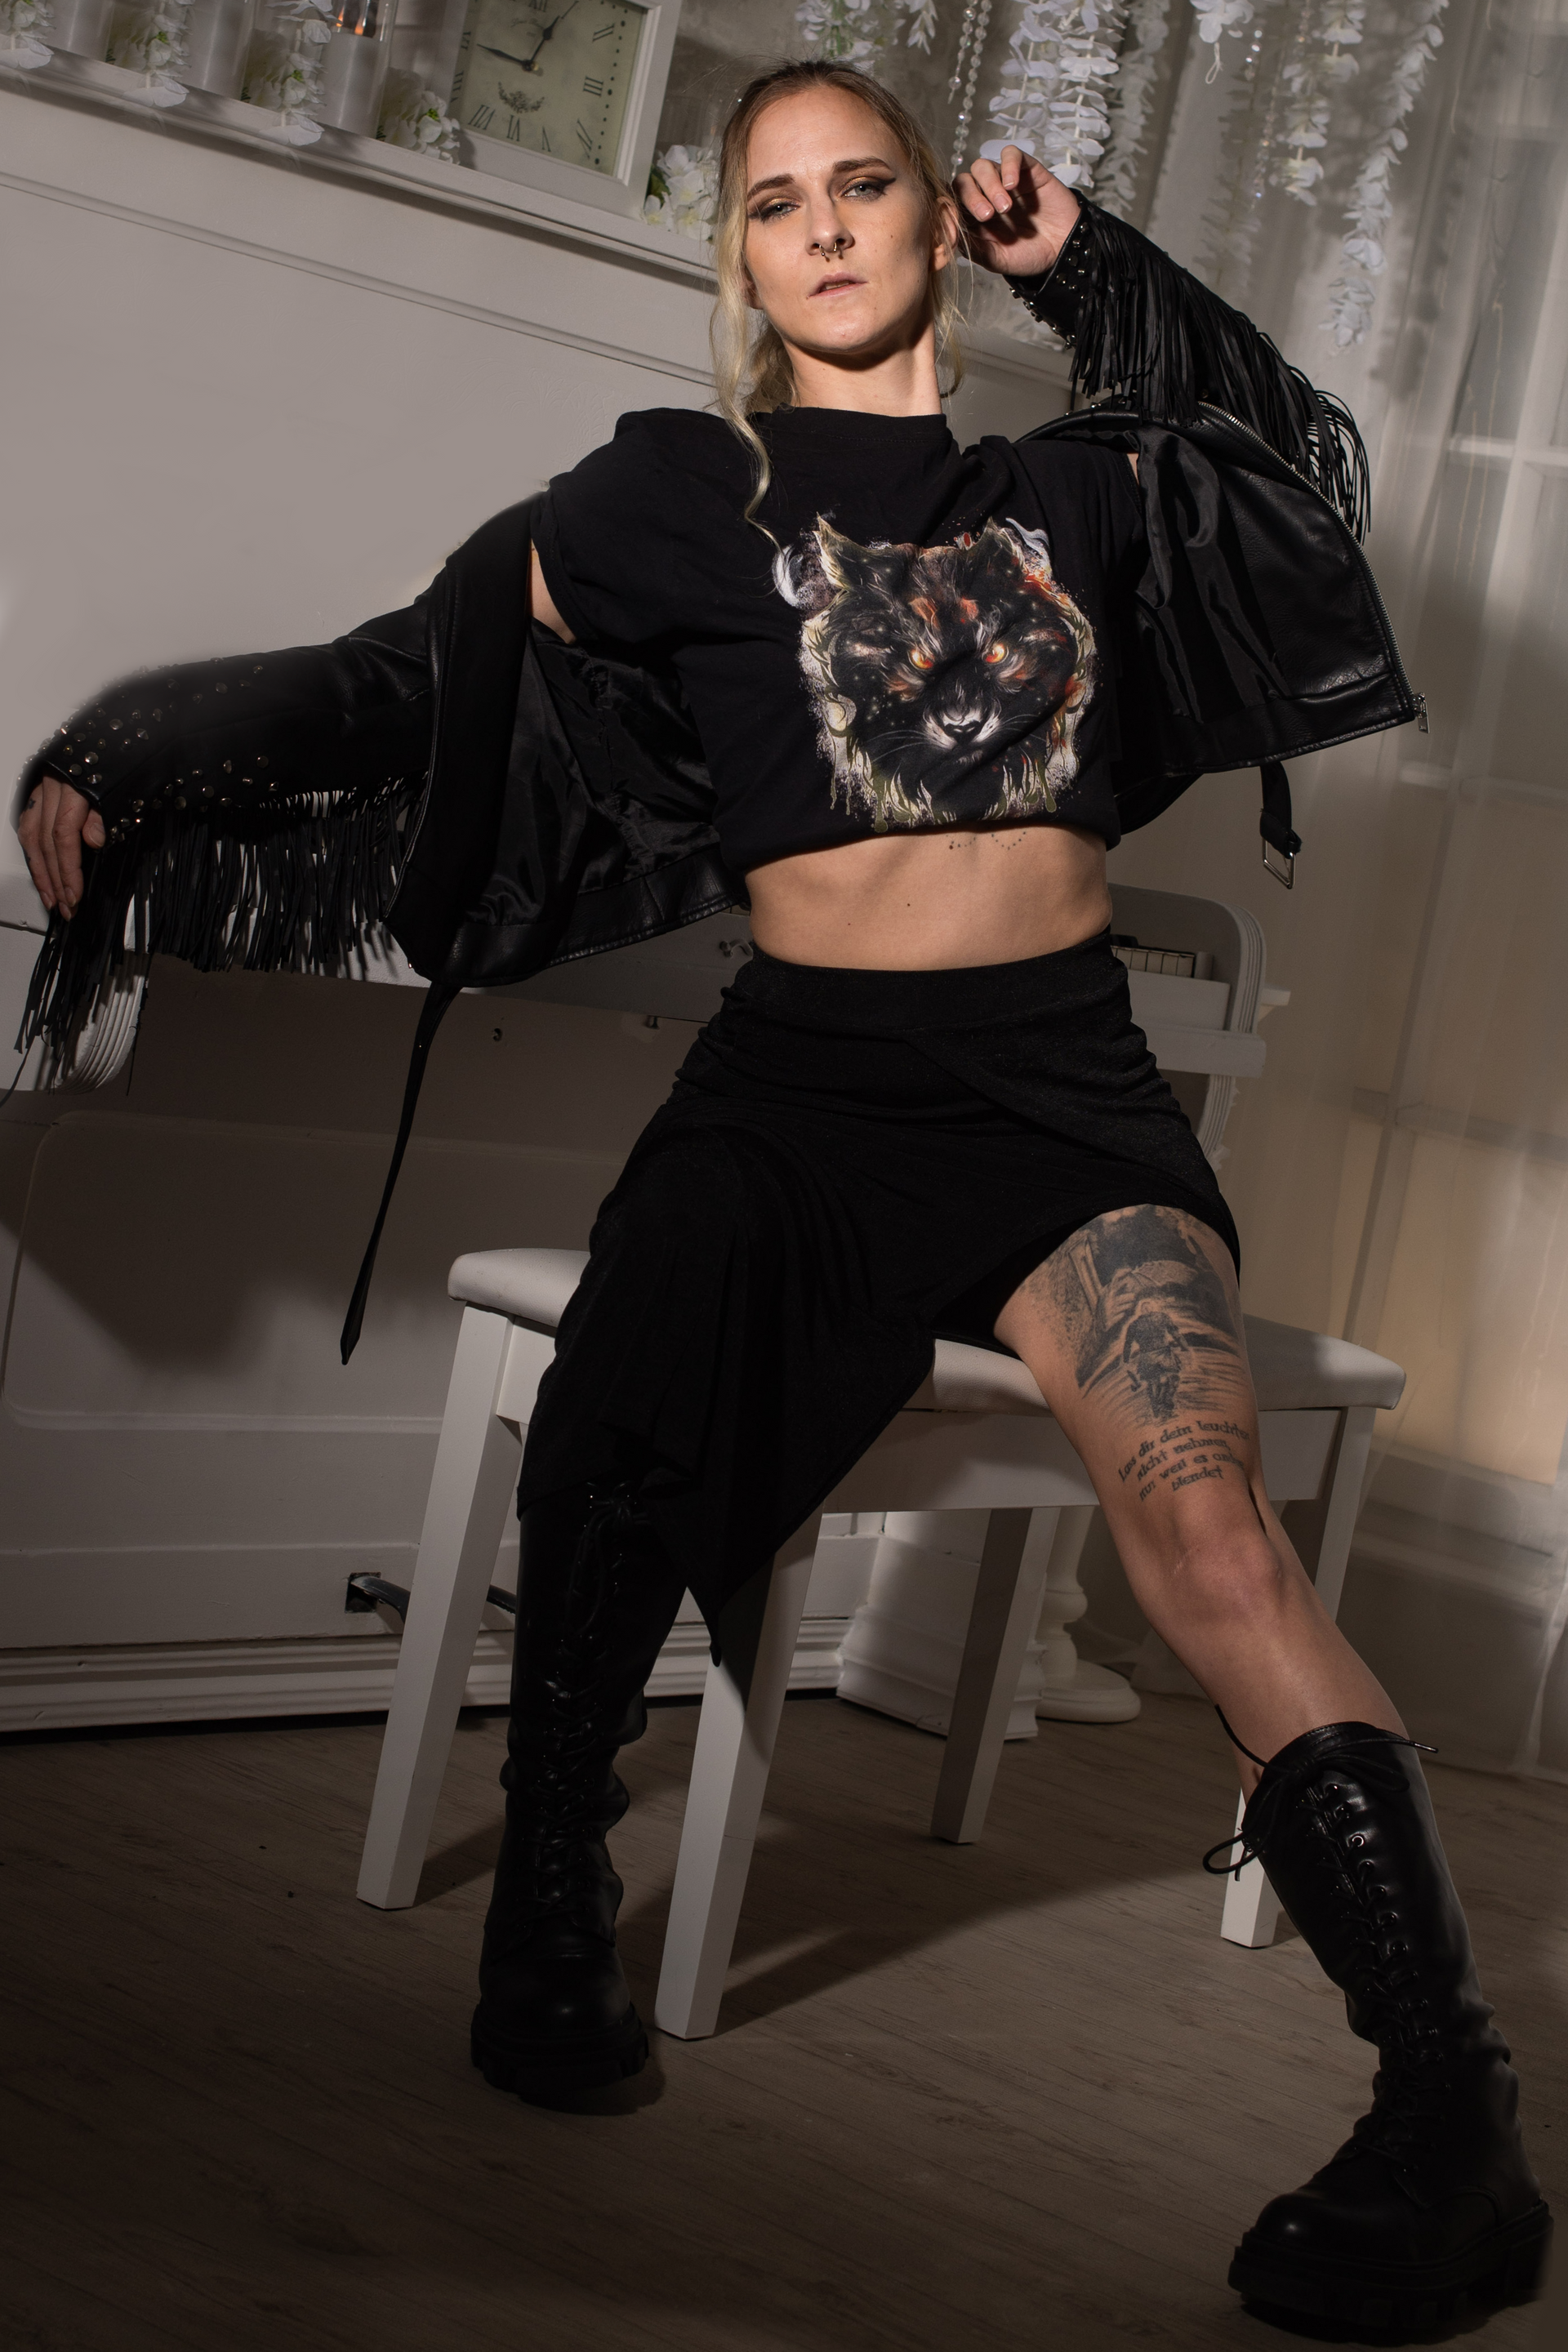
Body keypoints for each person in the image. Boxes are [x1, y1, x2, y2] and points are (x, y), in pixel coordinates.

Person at [16, 60, 1548, 2335]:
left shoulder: (1079, 486)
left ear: (938, 220)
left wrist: (1095, 262)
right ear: (738, 255)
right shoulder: (676, 492)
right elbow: (414, 672)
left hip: (1062, 1101)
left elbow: (1294, 481)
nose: (821, 225)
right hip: (799, 1094)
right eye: (771, 202)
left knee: (1212, 1529)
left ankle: (1452, 2115)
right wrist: (136, 750)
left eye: (863, 185)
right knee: (621, 1439)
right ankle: (554, 1901)